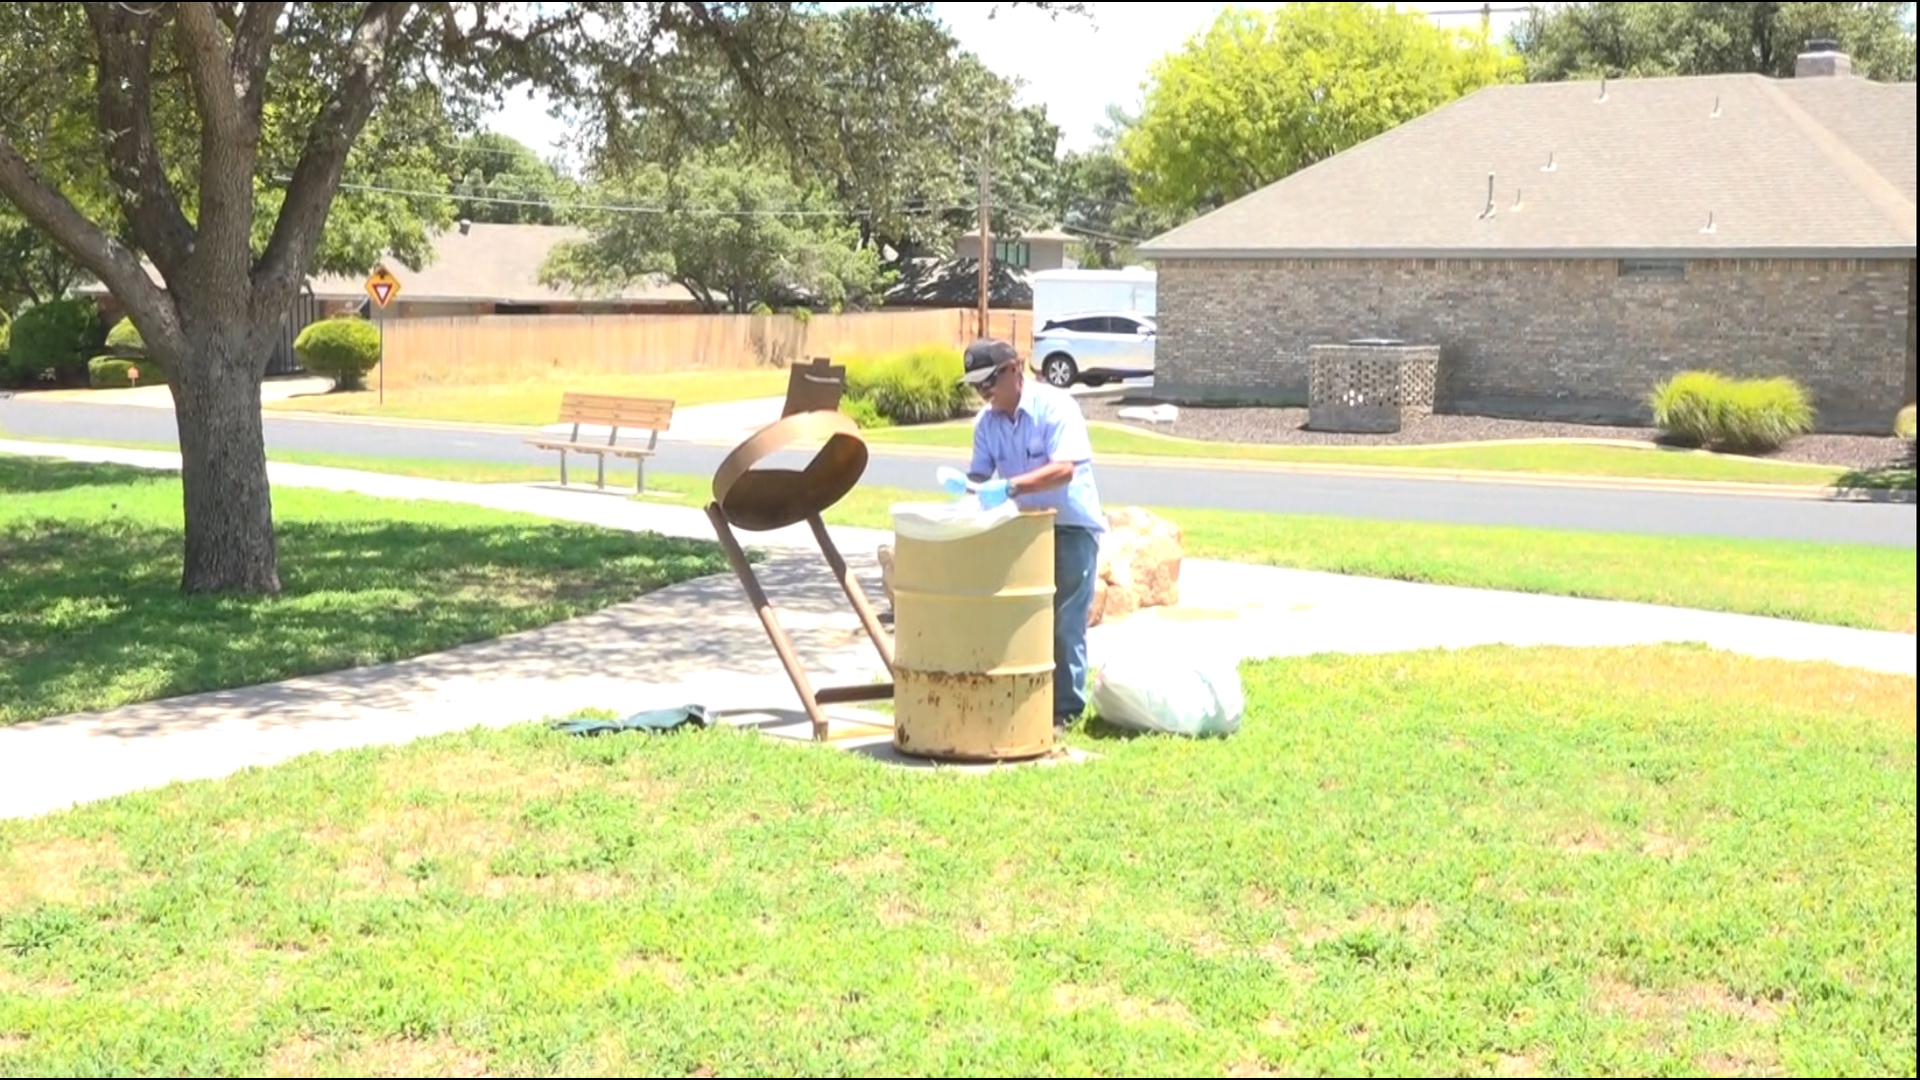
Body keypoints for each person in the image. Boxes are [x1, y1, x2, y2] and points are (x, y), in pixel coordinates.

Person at [949, 337, 1105, 737]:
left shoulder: (1056, 407)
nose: (982, 393)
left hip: (1069, 526)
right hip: (1022, 530)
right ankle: (1022, 698)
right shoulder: (987, 424)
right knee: (1021, 619)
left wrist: (1012, 487)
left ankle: (1065, 711)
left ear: (1014, 369)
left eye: (988, 382)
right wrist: (966, 486)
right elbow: (981, 476)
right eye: (975, 386)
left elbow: (1064, 469)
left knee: (1064, 620)